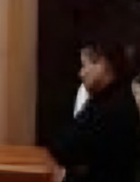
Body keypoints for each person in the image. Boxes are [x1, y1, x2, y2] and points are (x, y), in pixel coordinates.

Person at [49, 41, 140, 182]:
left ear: (102, 64)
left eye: (85, 65)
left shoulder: (108, 107)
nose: (81, 73)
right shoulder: (118, 97)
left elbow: (65, 148)